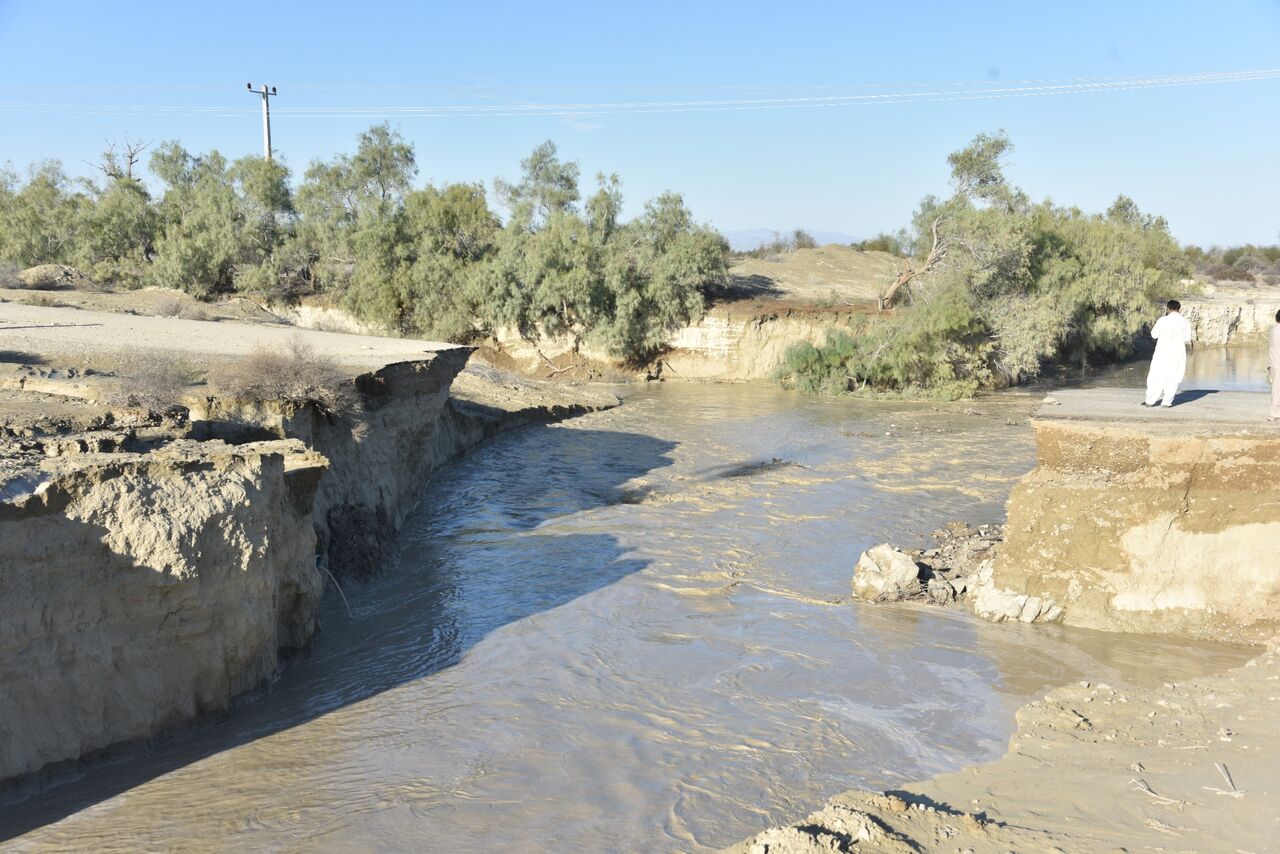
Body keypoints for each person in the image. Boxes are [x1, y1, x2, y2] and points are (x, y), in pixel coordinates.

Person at [1143, 300, 1192, 408]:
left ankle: (1150, 401)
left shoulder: (1162, 320)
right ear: (1179, 309)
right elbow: (1187, 338)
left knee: (1155, 377)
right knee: (1173, 378)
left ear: (1168, 308)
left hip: (1162, 353)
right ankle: (1167, 402)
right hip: (1177, 354)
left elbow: (1154, 335)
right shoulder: (1184, 322)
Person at [1270, 308, 1280, 422]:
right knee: (1277, 389)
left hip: (1274, 363)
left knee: (1276, 389)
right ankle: (1274, 414)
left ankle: (1275, 413)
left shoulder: (1274, 330)